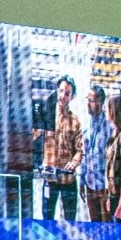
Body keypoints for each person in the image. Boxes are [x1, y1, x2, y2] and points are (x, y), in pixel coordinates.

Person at [39, 75, 83, 221]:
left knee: (70, 220)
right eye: (61, 91)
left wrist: (74, 162)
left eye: (67, 93)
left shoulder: (75, 121)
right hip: (50, 178)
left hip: (68, 179)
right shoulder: (45, 115)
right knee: (47, 219)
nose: (63, 96)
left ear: (72, 96)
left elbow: (79, 150)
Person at [81, 85, 112, 222]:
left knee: (107, 225)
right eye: (87, 99)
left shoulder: (110, 127)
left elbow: (112, 160)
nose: (88, 104)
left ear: (100, 102)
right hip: (90, 184)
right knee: (94, 224)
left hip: (104, 187)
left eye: (91, 100)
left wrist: (110, 187)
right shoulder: (86, 126)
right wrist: (82, 181)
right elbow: (84, 154)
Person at [104, 93, 121, 222]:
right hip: (114, 195)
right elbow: (110, 170)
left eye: (107, 107)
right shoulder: (114, 135)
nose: (105, 110)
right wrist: (109, 196)